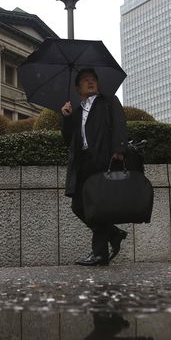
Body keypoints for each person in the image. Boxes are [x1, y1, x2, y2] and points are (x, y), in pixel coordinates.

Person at [60, 68, 129, 266]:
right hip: (82, 164)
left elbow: (120, 123)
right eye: (85, 80)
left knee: (97, 207)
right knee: (78, 206)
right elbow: (68, 139)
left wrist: (119, 149)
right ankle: (113, 234)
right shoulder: (77, 110)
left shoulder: (108, 102)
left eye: (93, 80)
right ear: (77, 87)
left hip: (102, 160)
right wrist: (66, 117)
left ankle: (99, 253)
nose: (90, 82)